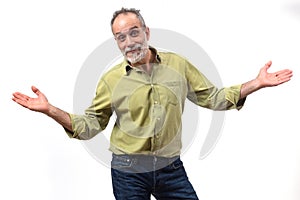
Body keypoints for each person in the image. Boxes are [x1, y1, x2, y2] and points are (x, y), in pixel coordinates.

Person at [12, 8, 293, 200]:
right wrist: (50, 110)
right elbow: (90, 126)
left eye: (133, 32)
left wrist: (256, 83)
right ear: (117, 43)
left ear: (146, 32)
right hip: (128, 169)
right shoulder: (111, 80)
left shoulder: (178, 65)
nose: (129, 42)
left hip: (171, 168)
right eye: (120, 37)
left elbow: (214, 97)